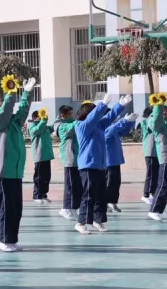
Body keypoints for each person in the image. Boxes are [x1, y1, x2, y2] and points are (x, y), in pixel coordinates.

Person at [0, 78, 38, 252]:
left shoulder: (15, 123)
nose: (10, 110)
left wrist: (27, 93)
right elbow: (5, 110)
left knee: (16, 208)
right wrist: (10, 93)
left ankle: (11, 239)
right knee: (6, 207)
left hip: (15, 173)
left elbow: (23, 109)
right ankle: (2, 239)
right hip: (3, 172)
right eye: (4, 108)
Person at [74, 94, 128, 234]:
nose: (97, 114)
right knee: (89, 195)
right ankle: (81, 223)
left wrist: (120, 106)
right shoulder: (81, 126)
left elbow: (109, 118)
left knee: (101, 195)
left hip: (100, 165)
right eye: (93, 111)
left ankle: (98, 220)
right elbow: (93, 118)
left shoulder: (98, 127)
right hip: (88, 166)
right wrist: (101, 105)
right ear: (87, 113)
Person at [106, 110, 139, 214]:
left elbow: (123, 131)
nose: (116, 118)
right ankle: (105, 203)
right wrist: (124, 120)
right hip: (108, 161)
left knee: (116, 183)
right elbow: (110, 131)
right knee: (109, 183)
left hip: (115, 160)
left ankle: (112, 202)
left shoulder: (114, 127)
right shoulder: (103, 127)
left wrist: (131, 122)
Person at [55, 104, 81, 222]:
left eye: (72, 113)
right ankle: (66, 207)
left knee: (76, 185)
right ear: (63, 115)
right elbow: (73, 127)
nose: (72, 115)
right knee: (70, 185)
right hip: (69, 158)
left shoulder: (72, 123)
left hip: (75, 158)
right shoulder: (62, 126)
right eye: (69, 114)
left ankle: (73, 207)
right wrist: (81, 118)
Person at [148, 97, 167, 221]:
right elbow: (156, 120)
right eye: (164, 110)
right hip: (165, 158)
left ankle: (162, 209)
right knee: (163, 184)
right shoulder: (158, 124)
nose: (165, 112)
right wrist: (158, 105)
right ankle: (154, 209)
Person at [28, 109, 54, 203]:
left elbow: (53, 127)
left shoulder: (44, 126)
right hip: (39, 156)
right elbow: (37, 130)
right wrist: (43, 121)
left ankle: (43, 194)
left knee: (47, 176)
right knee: (39, 177)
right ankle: (37, 195)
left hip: (46, 155)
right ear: (35, 117)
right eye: (40, 115)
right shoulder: (32, 126)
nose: (43, 117)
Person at [142, 106, 159, 205]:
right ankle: (146, 194)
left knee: (155, 174)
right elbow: (151, 126)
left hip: (155, 152)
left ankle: (152, 193)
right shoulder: (149, 121)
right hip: (150, 152)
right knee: (151, 174)